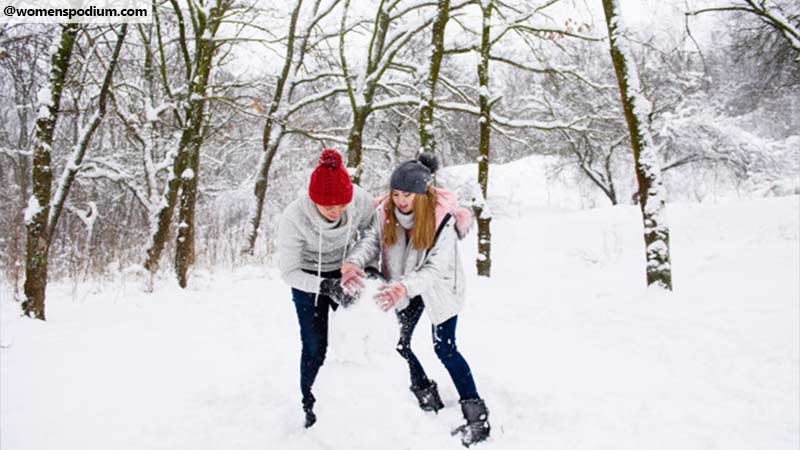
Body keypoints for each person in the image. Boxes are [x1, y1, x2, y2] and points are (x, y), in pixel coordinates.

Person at [342, 153, 491, 447]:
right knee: (398, 343)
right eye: (395, 193)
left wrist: (403, 287)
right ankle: (425, 394)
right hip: (403, 283)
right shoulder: (385, 211)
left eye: (407, 194)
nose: (400, 200)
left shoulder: (441, 219)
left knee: (445, 349)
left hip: (438, 287)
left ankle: (477, 417)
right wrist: (353, 263)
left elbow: (435, 269)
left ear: (422, 193)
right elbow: (371, 241)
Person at [277, 149, 376, 428]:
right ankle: (311, 407)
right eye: (329, 207)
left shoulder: (358, 198)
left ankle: (372, 398)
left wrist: (357, 261)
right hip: (309, 277)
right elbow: (289, 272)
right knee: (314, 346)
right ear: (314, 200)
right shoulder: (294, 218)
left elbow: (372, 231)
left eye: (341, 205)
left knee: (368, 333)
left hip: (347, 267)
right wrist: (326, 285)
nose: (336, 211)